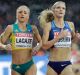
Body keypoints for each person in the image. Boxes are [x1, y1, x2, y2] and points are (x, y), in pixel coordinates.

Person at [39, 1, 80, 75]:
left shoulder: (70, 25)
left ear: (65, 11)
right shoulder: (48, 26)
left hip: (66, 64)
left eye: (63, 8)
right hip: (52, 64)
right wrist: (58, 37)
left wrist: (77, 38)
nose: (61, 10)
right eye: (58, 8)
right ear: (53, 10)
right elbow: (44, 46)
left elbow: (72, 43)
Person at [0, 5, 42, 75]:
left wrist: (37, 47)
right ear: (16, 15)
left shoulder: (33, 28)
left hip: (30, 65)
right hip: (16, 67)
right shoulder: (10, 28)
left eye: (25, 13)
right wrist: (5, 47)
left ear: (28, 16)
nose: (22, 14)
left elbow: (40, 41)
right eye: (20, 12)